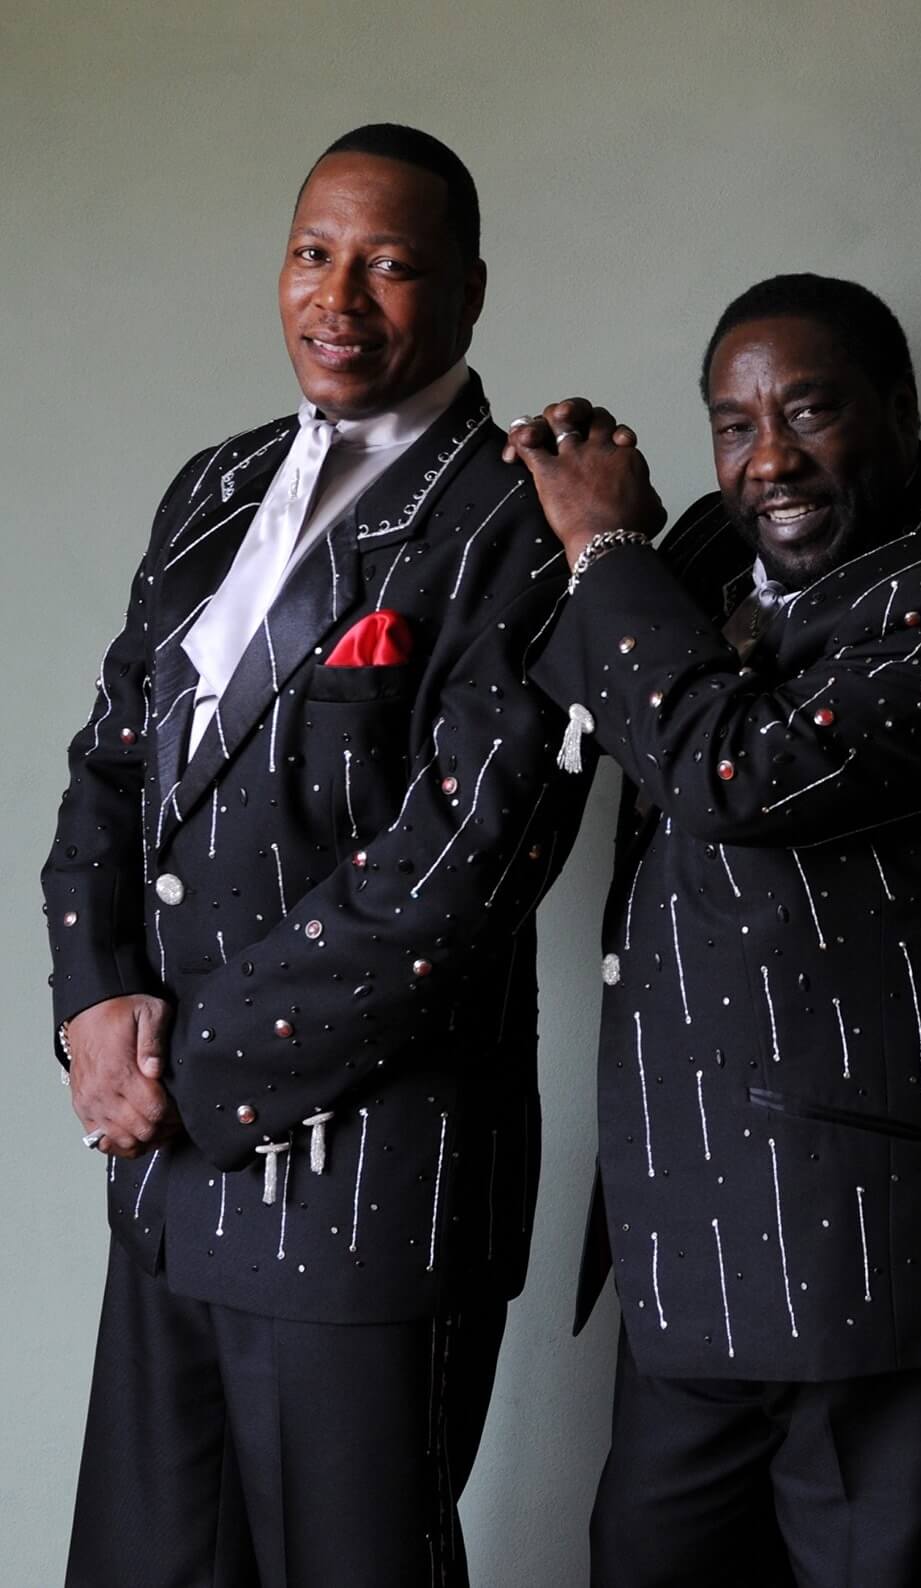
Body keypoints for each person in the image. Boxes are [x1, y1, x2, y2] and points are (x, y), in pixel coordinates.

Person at [43, 123, 591, 1587]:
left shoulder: (521, 516)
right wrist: (93, 1006)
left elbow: (467, 863)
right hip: (166, 1178)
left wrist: (179, 1059)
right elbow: (109, 765)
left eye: (387, 264)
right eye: (312, 253)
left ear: (469, 293)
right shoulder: (212, 487)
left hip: (368, 1186)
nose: (336, 297)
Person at [500, 273, 921, 1587]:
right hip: (689, 1242)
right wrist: (583, 511)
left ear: (901, 409)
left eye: (810, 412)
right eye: (735, 425)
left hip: (891, 1256)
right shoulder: (713, 542)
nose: (771, 460)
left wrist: (610, 550)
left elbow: (733, 772)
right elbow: (591, 672)